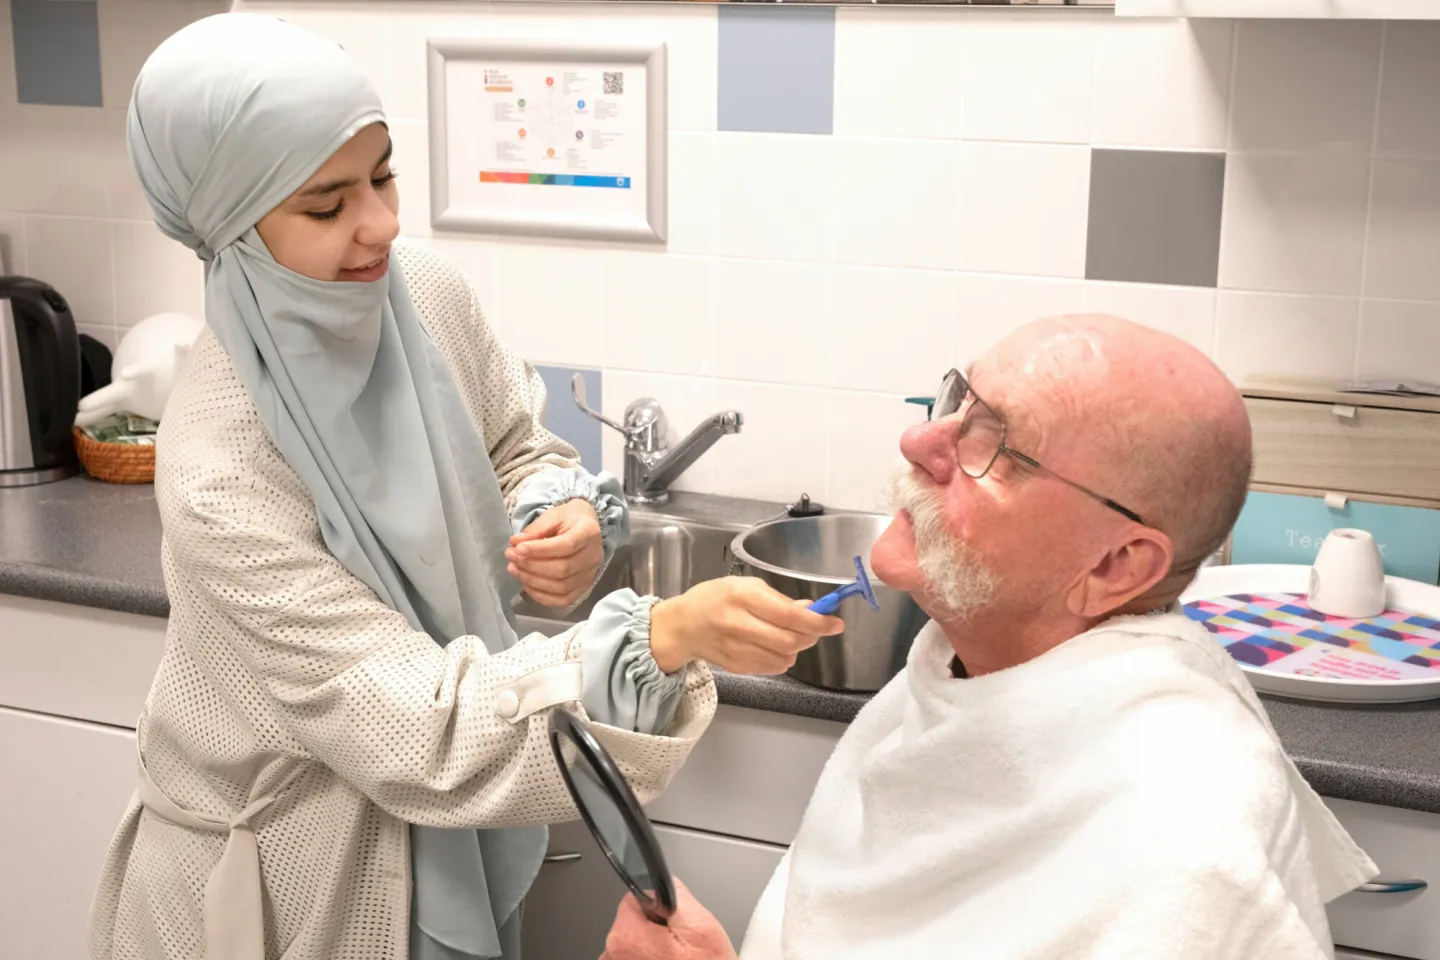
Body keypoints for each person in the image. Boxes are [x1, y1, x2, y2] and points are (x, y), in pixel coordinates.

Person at [88, 14, 843, 960]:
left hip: (441, 824)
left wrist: (558, 514)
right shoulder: (220, 470)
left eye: (383, 175)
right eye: (326, 207)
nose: (381, 224)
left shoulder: (417, 294)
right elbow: (416, 723)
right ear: (232, 228)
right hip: (284, 889)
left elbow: (517, 444)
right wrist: (659, 636)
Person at [599, 315, 1379, 960]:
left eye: (993, 444)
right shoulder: (958, 675)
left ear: (1114, 565)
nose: (919, 443)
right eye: (957, 404)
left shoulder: (1186, 833)